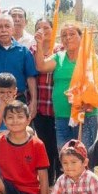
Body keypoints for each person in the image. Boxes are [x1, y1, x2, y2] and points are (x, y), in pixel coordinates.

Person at [33, 22, 98, 151]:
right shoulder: (59, 57)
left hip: (84, 117)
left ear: (81, 37)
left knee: (82, 155)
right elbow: (41, 66)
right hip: (61, 116)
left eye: (72, 34)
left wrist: (92, 104)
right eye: (64, 35)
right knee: (64, 156)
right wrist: (39, 44)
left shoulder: (91, 57)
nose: (67, 38)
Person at [0, 13, 38, 118]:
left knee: (18, 130)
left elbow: (30, 78)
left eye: (7, 26)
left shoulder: (23, 51)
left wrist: (34, 102)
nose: (3, 30)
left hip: (18, 99)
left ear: (13, 29)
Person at [30, 18, 63, 184]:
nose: (43, 30)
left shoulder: (61, 49)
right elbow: (31, 75)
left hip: (59, 106)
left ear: (53, 29)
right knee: (45, 145)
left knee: (61, 146)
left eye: (46, 27)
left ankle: (62, 180)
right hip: (41, 105)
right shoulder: (31, 50)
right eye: (39, 27)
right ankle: (49, 182)